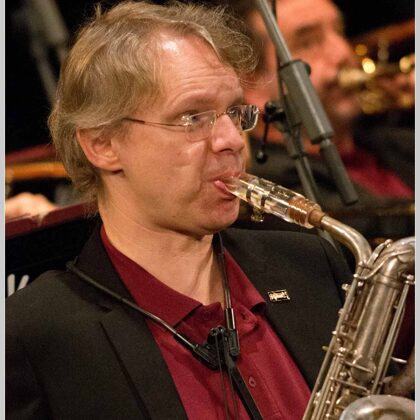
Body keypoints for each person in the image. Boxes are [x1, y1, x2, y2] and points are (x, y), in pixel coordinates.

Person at [6, 2, 352, 419]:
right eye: (193, 117)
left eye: (234, 113)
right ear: (102, 144)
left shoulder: (312, 264)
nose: (231, 140)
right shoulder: (31, 338)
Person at [235, 0, 414, 238]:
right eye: (308, 42)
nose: (343, 53)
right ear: (252, 83)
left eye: (340, 32)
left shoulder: (394, 142)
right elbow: (369, 230)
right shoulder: (268, 183)